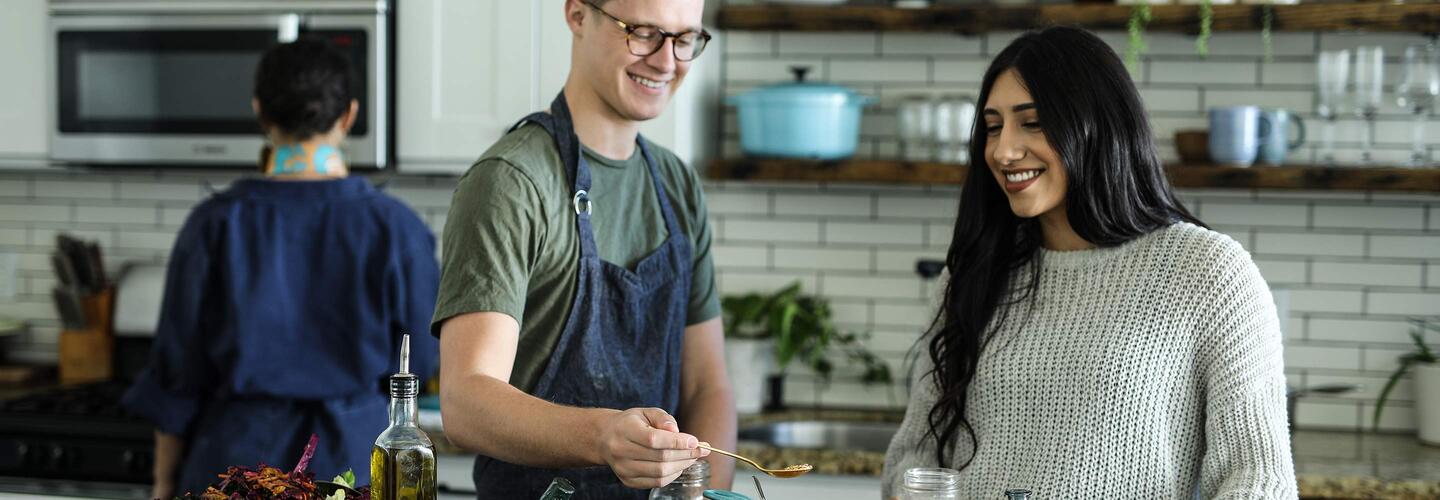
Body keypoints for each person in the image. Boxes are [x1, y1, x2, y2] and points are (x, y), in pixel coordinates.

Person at [881, 27, 1296, 499]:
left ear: (1098, 125)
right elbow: (913, 456)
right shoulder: (975, 275)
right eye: (993, 127)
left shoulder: (1207, 272)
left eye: (1032, 122)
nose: (1002, 150)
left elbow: (1258, 479)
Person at [430, 0, 735, 498]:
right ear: (576, 15)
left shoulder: (678, 185)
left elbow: (708, 387)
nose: (665, 61)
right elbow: (466, 403)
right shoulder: (511, 182)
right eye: (642, 33)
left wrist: (705, 491)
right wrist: (603, 436)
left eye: (684, 40)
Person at [122, 38, 439, 499]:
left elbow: (176, 377)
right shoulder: (397, 228)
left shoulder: (214, 224)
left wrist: (163, 483)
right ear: (348, 116)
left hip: (235, 467)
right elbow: (423, 360)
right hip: (353, 465)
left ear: (261, 114)